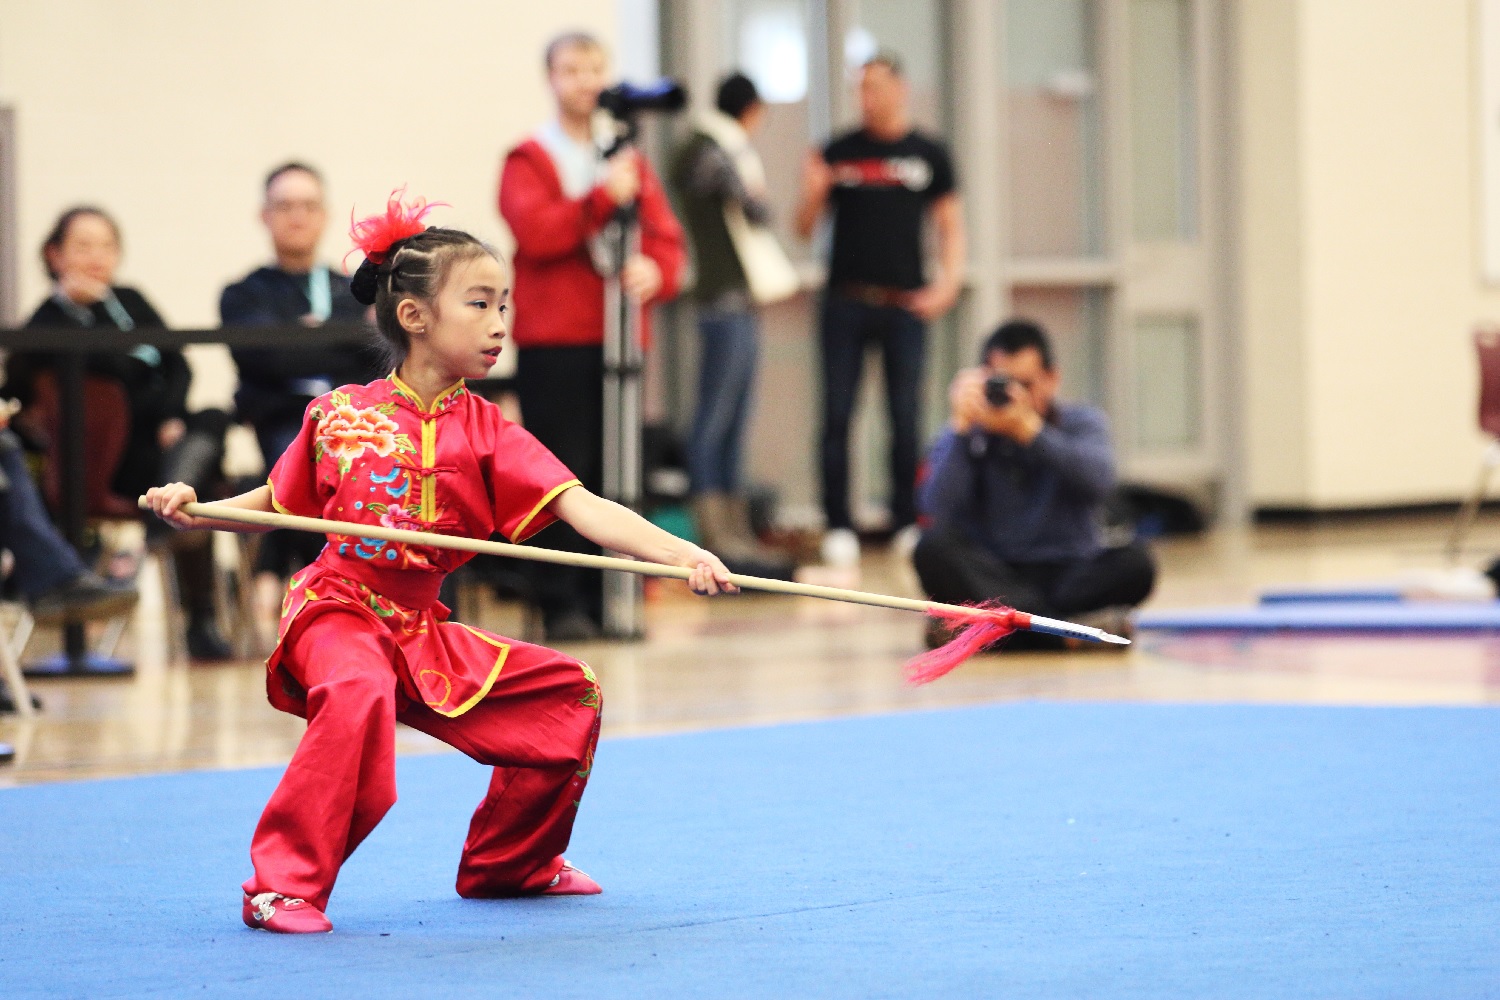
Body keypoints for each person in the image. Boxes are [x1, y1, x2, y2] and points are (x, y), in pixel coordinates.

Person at [144, 193, 734, 934]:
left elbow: (586, 509)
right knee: (357, 693)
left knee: (568, 697)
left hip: (421, 627)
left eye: (504, 305)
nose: (499, 324)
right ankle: (280, 886)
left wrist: (686, 556)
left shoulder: (491, 430)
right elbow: (275, 497)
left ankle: (510, 865)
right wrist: (198, 503)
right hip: (339, 608)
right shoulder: (339, 415)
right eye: (480, 304)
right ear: (415, 317)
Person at [499, 30, 686, 640]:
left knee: (616, 472)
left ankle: (615, 595)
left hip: (620, 340)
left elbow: (667, 237)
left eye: (594, 68)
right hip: (557, 339)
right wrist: (602, 198)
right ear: (551, 79)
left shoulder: (626, 156)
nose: (584, 80)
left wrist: (656, 269)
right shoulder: (530, 157)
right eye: (571, 69)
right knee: (561, 472)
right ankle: (562, 601)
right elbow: (537, 232)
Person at [10, 207, 232, 660]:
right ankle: (199, 617)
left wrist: (173, 415)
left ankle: (165, 525)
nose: (97, 257)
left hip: (161, 441)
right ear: (55, 255)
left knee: (212, 417)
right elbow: (20, 389)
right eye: (83, 246)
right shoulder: (49, 321)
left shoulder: (130, 300)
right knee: (197, 494)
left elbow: (178, 364)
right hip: (105, 461)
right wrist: (78, 312)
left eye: (107, 246)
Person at [795, 52, 966, 569]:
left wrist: (948, 283)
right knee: (837, 414)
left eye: (876, 87)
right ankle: (838, 523)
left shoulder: (928, 153)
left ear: (901, 89)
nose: (867, 98)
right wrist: (814, 193)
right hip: (845, 301)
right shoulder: (838, 151)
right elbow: (804, 226)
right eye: (860, 88)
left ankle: (906, 520)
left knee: (905, 414)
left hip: (904, 305)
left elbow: (950, 225)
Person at [913, 320, 1157, 648]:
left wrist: (1031, 432)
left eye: (1025, 384)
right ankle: (1060, 632)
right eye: (1002, 384)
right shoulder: (969, 430)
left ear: (1051, 379)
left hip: (1068, 571)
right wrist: (959, 427)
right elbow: (936, 509)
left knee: (1137, 562)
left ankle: (1003, 631)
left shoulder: (1081, 422)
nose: (1013, 396)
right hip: (994, 575)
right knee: (931, 548)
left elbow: (1099, 482)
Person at [221, 162, 377, 597]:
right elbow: (263, 360)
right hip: (284, 421)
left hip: (358, 424)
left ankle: (276, 574)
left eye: (308, 205)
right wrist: (339, 341)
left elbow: (373, 358)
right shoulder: (243, 293)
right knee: (302, 463)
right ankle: (330, 595)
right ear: (264, 216)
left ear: (325, 214)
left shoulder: (353, 289)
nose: (297, 216)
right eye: (284, 205)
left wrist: (305, 343)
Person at [670, 73, 796, 578]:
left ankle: (734, 529)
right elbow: (758, 209)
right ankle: (716, 533)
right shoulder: (712, 149)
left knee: (732, 415)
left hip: (734, 298)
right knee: (717, 417)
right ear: (752, 109)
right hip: (723, 299)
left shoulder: (707, 147)